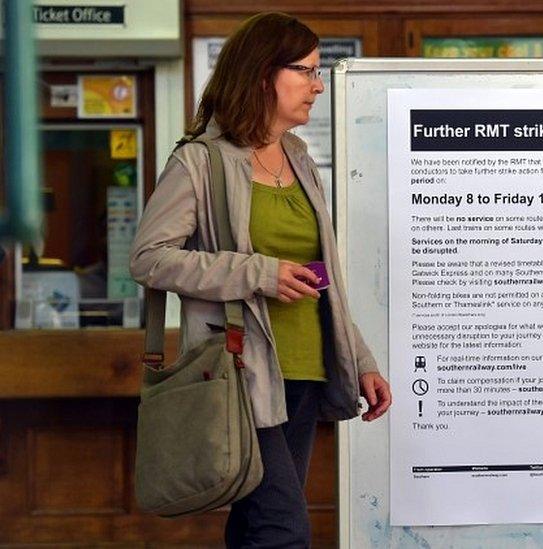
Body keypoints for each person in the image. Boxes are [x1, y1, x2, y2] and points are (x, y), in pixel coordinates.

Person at [129, 12, 391, 547]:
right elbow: (150, 258)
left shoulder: (298, 157)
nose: (319, 85)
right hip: (241, 373)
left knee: (255, 526)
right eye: (308, 71)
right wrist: (258, 273)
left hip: (306, 373)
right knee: (283, 530)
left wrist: (360, 359)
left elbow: (326, 279)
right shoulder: (199, 161)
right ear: (262, 73)